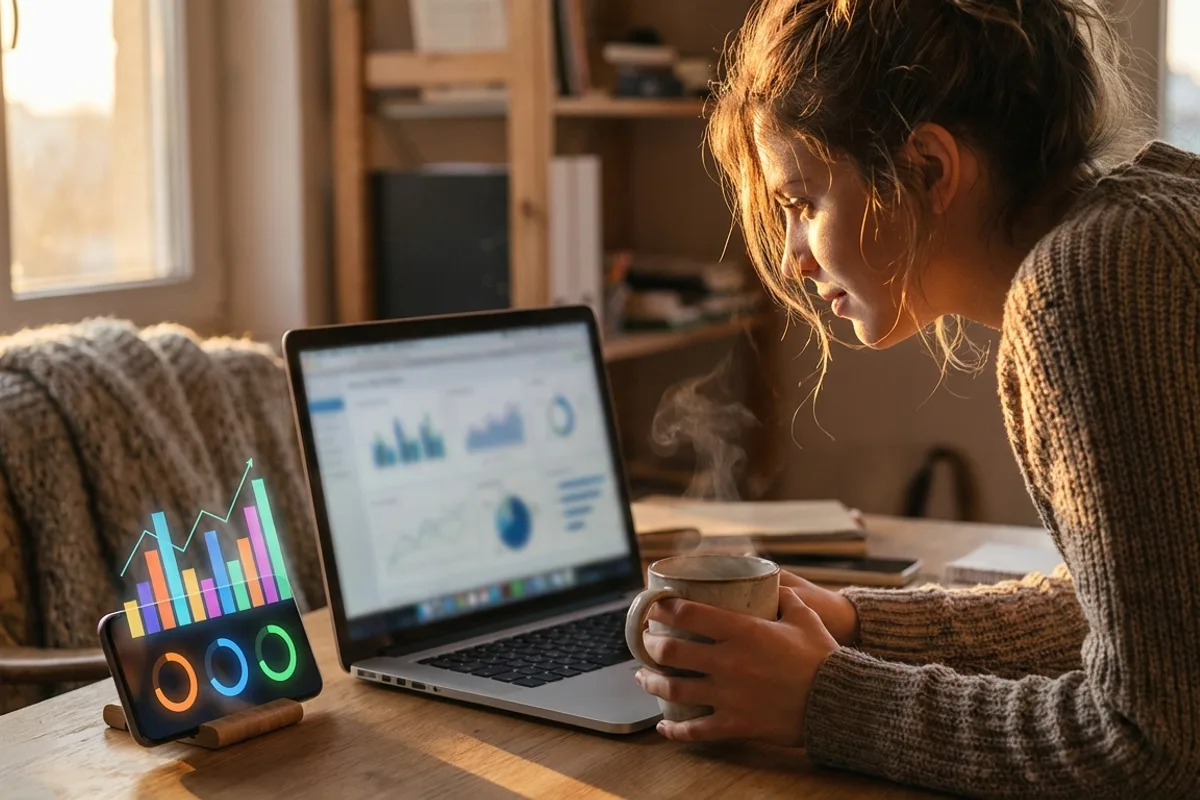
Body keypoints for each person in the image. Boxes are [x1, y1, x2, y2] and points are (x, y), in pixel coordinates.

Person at [633, 0, 1200, 796]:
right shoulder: (1143, 226)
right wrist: (861, 625)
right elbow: (1142, 616)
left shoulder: (1088, 284)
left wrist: (822, 701)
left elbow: (1155, 741)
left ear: (929, 170)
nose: (794, 257)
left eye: (802, 203)